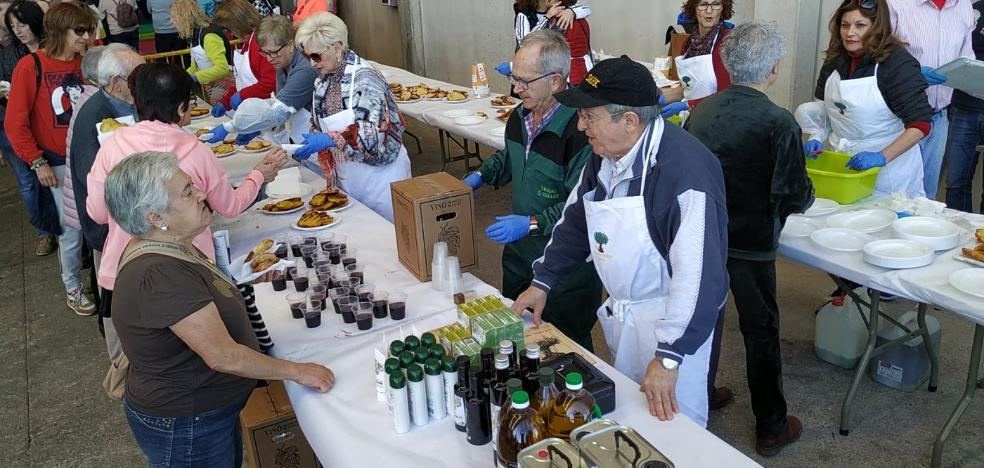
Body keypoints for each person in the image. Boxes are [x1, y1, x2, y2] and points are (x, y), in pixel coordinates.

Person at [511, 56, 730, 428]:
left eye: (589, 117)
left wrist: (669, 357)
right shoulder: (605, 155)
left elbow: (699, 279)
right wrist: (542, 281)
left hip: (677, 322)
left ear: (629, 121)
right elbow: (577, 218)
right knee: (630, 419)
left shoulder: (685, 175)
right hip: (628, 314)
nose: (580, 127)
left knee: (675, 427)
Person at [104, 152, 334, 466]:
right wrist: (297, 371)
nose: (201, 194)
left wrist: (241, 281)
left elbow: (198, 294)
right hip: (187, 422)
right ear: (155, 218)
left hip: (203, 415)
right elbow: (222, 355)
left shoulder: (169, 243)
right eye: (187, 192)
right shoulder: (159, 274)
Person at [685, 21, 811, 456]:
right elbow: (792, 195)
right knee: (760, 330)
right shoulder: (779, 122)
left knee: (702, 319)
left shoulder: (699, 111)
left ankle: (699, 391)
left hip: (704, 235)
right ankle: (771, 426)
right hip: (752, 243)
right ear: (773, 69)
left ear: (725, 62)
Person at [87, 62, 287, 332]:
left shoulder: (112, 145)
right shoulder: (194, 151)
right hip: (187, 269)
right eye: (191, 102)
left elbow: (98, 213)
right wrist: (258, 175)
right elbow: (230, 206)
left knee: (136, 356)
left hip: (124, 272)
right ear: (181, 108)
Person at [464, 30, 601, 351]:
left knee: (567, 348)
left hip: (565, 270)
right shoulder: (521, 115)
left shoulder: (581, 131)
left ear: (556, 81)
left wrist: (530, 223)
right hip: (519, 258)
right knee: (521, 339)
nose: (515, 88)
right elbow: (510, 156)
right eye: (514, 78)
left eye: (524, 81)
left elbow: (579, 206)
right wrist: (479, 176)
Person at [5, 1, 98, 316]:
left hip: (94, 157)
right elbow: (15, 122)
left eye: (89, 29)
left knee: (100, 222)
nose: (87, 36)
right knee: (70, 231)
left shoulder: (88, 60)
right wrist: (37, 161)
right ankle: (72, 286)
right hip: (57, 163)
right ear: (60, 31)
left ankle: (102, 281)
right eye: (80, 30)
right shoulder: (30, 66)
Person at [795, 0, 932, 198]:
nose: (850, 33)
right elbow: (825, 111)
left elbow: (920, 125)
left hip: (890, 174)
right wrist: (816, 136)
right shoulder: (834, 60)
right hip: (844, 168)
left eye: (860, 25)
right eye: (844, 25)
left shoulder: (897, 64)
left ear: (877, 27)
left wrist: (881, 157)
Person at [292, 12, 411, 222]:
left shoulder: (366, 79)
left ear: (337, 48)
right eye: (306, 57)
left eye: (316, 56)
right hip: (350, 179)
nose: (311, 63)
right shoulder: (323, 82)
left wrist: (331, 139)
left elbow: (375, 136)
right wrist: (310, 142)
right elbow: (317, 123)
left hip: (381, 181)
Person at [68, 43, 142, 363]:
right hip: (112, 234)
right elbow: (104, 191)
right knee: (120, 315)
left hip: (121, 230)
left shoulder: (115, 104)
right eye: (137, 78)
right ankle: (124, 373)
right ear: (114, 83)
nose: (144, 82)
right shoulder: (100, 118)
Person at [888, 0, 975, 200]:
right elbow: (876, 55)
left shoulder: (963, 6)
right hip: (899, 120)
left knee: (926, 198)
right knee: (894, 196)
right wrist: (912, 75)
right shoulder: (894, 3)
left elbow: (965, 58)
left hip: (939, 119)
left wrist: (975, 81)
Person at [206, 14, 317, 146]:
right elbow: (278, 101)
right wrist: (257, 129)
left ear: (291, 45)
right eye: (264, 53)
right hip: (299, 134)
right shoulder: (281, 61)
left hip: (314, 138)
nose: (269, 59)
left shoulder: (304, 69)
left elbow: (280, 111)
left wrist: (229, 127)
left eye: (273, 52)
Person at [0, 0, 55, 257]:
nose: (17, 30)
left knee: (53, 182)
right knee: (27, 182)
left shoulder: (52, 50)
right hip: (13, 124)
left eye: (21, 24)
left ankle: (61, 230)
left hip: (47, 126)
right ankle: (45, 231)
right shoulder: (9, 52)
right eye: (13, 26)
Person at [661, 0, 734, 119]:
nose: (709, 11)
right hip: (692, 116)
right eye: (703, 4)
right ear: (694, 9)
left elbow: (726, 95)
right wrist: (661, 96)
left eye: (716, 4)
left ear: (723, 9)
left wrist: (688, 105)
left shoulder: (728, 43)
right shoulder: (688, 44)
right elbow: (690, 87)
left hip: (717, 117)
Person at [944, 0, 984, 213]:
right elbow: (959, 53)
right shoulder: (971, 10)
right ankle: (958, 232)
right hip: (964, 107)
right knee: (957, 182)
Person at [211, 0, 277, 118]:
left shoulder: (261, 43)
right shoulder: (248, 44)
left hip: (268, 113)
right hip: (255, 112)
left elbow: (271, 82)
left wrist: (243, 95)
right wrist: (226, 102)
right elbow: (242, 81)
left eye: (229, 29)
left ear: (239, 24)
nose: (230, 34)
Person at [170, 0, 234, 106]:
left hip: (224, 85)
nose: (171, 21)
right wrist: (181, 77)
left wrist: (194, 77)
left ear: (183, 17)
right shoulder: (194, 35)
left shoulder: (209, 36)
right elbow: (195, 66)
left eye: (173, 17)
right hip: (210, 85)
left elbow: (223, 68)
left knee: (227, 114)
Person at [513, 0, 592, 85]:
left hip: (564, 69)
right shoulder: (524, 15)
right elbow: (525, 44)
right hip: (531, 68)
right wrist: (546, 18)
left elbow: (587, 10)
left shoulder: (562, 11)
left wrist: (572, 12)